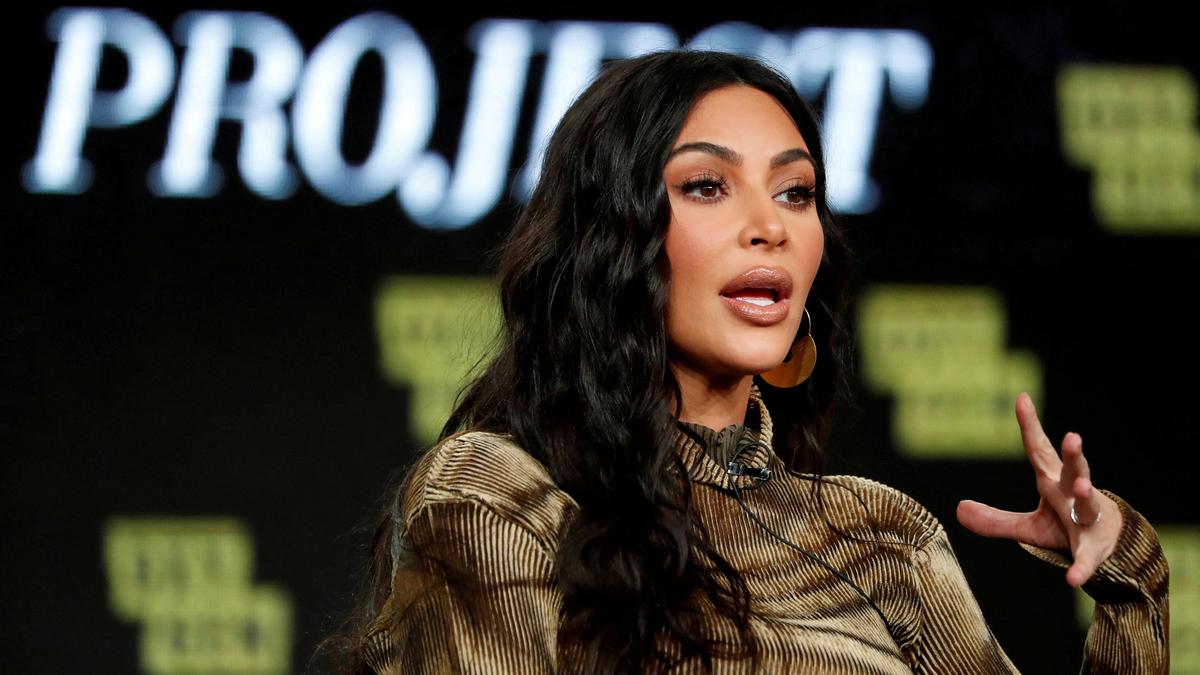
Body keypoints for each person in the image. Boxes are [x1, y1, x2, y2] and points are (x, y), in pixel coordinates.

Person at [332, 50, 1169, 674]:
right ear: (611, 237)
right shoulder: (498, 498)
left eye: (795, 192)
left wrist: (1126, 575)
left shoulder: (882, 537)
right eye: (707, 186)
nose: (770, 226)